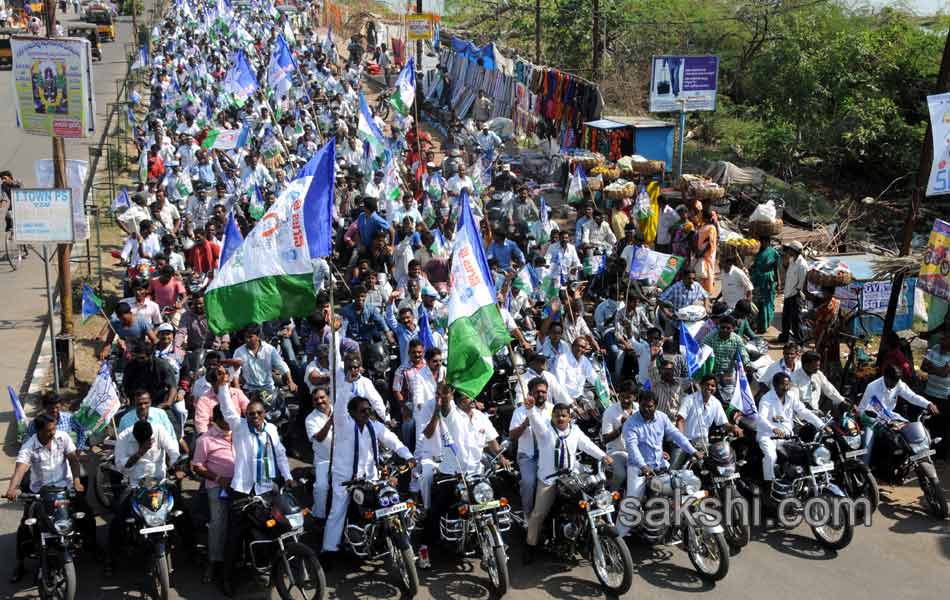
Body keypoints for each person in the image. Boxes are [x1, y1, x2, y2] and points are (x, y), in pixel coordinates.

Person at [216, 371, 294, 596]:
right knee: (235, 536)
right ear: (246, 415)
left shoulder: (271, 429)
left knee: (283, 524)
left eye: (259, 413)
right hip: (243, 491)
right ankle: (227, 579)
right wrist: (224, 386)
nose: (255, 417)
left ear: (265, 414)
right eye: (251, 414)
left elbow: (280, 454)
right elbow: (227, 407)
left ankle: (285, 565)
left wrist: (287, 475)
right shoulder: (239, 427)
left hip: (267, 488)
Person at [522, 389, 611, 564]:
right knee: (538, 515)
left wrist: (604, 456)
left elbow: (587, 445)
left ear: (570, 417)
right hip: (549, 479)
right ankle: (530, 546)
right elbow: (536, 422)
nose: (560, 418)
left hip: (571, 479)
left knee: (590, 505)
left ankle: (584, 537)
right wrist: (531, 409)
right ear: (552, 417)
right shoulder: (545, 430)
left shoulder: (575, 431)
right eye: (557, 415)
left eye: (564, 415)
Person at [321, 392, 414, 554]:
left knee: (390, 504)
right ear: (352, 413)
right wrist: (346, 383)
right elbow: (340, 405)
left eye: (369, 410)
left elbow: (393, 441)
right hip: (346, 479)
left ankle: (388, 538)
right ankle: (328, 550)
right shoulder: (344, 426)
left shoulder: (375, 426)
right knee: (337, 512)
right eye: (363, 411)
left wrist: (409, 456)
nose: (367, 413)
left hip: (371, 478)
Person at [5, 414, 87, 583]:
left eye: (54, 428)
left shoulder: (62, 438)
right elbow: (20, 469)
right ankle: (20, 563)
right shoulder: (29, 446)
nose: (53, 432)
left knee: (86, 514)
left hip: (64, 488)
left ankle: (94, 550)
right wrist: (12, 488)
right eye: (49, 430)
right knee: (24, 528)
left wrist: (77, 481)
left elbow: (73, 460)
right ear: (38, 431)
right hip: (40, 494)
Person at [428, 386, 510, 546]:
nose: (471, 399)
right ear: (458, 401)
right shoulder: (453, 415)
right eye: (466, 397)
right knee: (438, 508)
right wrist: (445, 397)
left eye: (471, 396)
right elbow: (445, 408)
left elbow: (492, 441)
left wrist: (502, 459)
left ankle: (498, 539)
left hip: (477, 474)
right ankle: (427, 546)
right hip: (452, 474)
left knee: (497, 499)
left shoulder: (480, 416)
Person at [616, 390, 698, 537]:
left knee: (682, 490)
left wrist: (693, 451)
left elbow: (676, 435)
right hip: (639, 469)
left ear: (656, 406)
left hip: (661, 466)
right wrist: (643, 466)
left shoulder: (662, 418)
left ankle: (676, 525)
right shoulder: (630, 423)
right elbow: (632, 447)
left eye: (650, 406)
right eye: (643, 406)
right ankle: (617, 538)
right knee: (632, 503)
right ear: (638, 404)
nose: (646, 409)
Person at [107, 420, 182, 575]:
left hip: (160, 482)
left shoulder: (159, 430)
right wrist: (139, 453)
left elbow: (173, 451)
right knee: (118, 518)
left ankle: (191, 550)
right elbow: (121, 466)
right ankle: (111, 559)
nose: (148, 443)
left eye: (149, 440)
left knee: (182, 511)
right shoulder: (124, 437)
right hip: (135, 485)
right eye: (143, 441)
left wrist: (176, 466)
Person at [857, 365, 939, 466]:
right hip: (872, 419)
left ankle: (913, 461)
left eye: (896, 382)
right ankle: (865, 474)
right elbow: (861, 410)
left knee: (911, 431)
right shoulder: (872, 387)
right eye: (892, 382)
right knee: (867, 446)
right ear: (885, 377)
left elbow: (912, 396)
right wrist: (877, 421)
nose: (894, 385)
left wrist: (928, 404)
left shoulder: (898, 384)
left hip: (891, 416)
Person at [192, 405, 235, 584]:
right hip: (218, 486)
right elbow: (197, 466)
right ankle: (214, 561)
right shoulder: (205, 439)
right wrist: (219, 478)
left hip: (242, 484)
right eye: (227, 418)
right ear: (217, 419)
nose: (231, 420)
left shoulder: (239, 433)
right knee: (218, 522)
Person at [757, 373, 825, 485]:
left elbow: (803, 412)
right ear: (774, 385)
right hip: (768, 437)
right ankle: (769, 484)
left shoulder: (791, 396)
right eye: (783, 385)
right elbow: (761, 418)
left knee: (804, 454)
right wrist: (774, 429)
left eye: (788, 385)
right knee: (771, 456)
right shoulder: (766, 399)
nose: (786, 388)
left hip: (788, 437)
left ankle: (802, 481)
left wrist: (821, 425)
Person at [509, 376, 554, 515]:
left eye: (543, 392)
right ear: (529, 394)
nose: (541, 394)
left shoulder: (552, 409)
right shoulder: (520, 411)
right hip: (528, 456)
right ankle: (527, 515)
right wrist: (524, 425)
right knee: (529, 483)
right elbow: (512, 436)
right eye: (537, 392)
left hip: (548, 455)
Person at [676, 375, 742, 455]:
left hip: (702, 444)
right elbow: (680, 419)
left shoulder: (716, 403)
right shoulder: (689, 399)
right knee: (676, 466)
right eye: (707, 384)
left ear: (716, 388)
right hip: (685, 442)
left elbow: (723, 423)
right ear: (701, 385)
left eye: (713, 386)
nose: (709, 388)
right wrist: (682, 440)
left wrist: (733, 427)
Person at [232, 324, 297, 395]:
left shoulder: (269, 349)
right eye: (246, 337)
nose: (247, 340)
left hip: (268, 388)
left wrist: (290, 382)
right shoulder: (239, 352)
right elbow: (235, 373)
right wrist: (238, 391)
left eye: (250, 337)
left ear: (258, 337)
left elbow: (282, 366)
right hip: (250, 390)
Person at [601, 381, 639, 491]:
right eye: (622, 396)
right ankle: (610, 498)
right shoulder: (610, 412)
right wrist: (623, 427)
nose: (625, 400)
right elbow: (605, 439)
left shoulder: (639, 409)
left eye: (628, 397)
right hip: (616, 452)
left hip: (637, 452)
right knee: (621, 474)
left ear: (635, 397)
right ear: (618, 395)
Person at [304, 387, 334, 519]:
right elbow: (320, 438)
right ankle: (319, 516)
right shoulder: (310, 419)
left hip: (344, 458)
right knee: (321, 488)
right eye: (316, 399)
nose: (320, 401)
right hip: (323, 460)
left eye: (322, 397)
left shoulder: (340, 410)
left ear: (328, 398)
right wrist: (330, 422)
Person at [921, 333, 950, 459]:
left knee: (941, 426)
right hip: (929, 393)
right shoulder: (935, 348)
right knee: (929, 423)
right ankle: (929, 451)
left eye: (945, 338)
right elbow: (923, 366)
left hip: (944, 396)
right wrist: (937, 369)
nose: (941, 339)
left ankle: (940, 454)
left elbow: (944, 373)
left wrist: (931, 367)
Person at [749, 235, 780, 334]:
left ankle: (765, 325)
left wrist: (778, 281)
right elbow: (753, 265)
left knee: (767, 303)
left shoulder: (773, 253)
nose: (763, 244)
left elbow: (776, 268)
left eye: (765, 242)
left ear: (768, 242)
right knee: (757, 302)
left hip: (768, 281)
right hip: (757, 280)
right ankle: (756, 324)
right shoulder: (756, 252)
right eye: (761, 242)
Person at [778, 240, 807, 343]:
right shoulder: (791, 260)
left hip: (795, 295)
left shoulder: (802, 265)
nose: (788, 251)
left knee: (796, 320)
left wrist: (796, 293)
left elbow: (801, 283)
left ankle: (799, 340)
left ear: (794, 251)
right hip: (788, 293)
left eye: (790, 249)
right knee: (785, 318)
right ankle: (784, 337)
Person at [694, 206, 718, 293]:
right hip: (701, 251)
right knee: (702, 271)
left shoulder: (712, 227)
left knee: (708, 271)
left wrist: (702, 252)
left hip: (707, 253)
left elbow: (710, 242)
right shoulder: (704, 226)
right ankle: (701, 290)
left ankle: (707, 290)